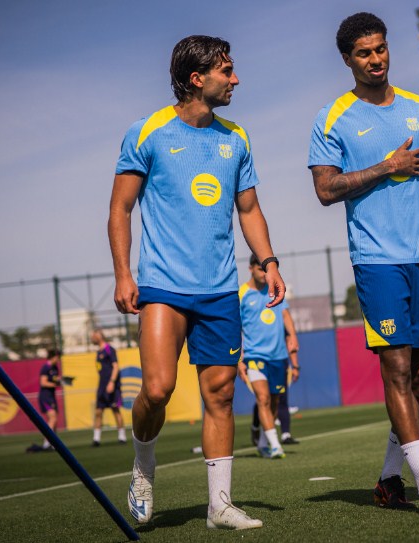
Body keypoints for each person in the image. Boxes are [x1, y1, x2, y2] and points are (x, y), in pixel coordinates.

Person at [109, 35, 285, 530]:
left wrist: (269, 261)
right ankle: (143, 466)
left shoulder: (237, 138)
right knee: (158, 389)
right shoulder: (147, 132)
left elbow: (248, 209)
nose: (235, 79)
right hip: (163, 286)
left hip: (220, 290)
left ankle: (219, 505)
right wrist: (123, 273)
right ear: (196, 78)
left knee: (221, 395)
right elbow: (120, 208)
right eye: (226, 71)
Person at [308, 12, 419, 517]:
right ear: (347, 59)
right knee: (397, 366)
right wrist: (388, 166)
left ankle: (388, 478)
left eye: (380, 48)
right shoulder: (332, 118)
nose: (375, 59)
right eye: (364, 53)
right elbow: (325, 189)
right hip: (377, 260)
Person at [238, 254, 300, 459]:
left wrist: (293, 337)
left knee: (273, 401)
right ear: (250, 268)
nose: (263, 274)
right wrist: (239, 359)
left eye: (266, 270)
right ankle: (275, 445)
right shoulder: (242, 294)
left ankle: (263, 442)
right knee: (262, 398)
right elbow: (235, 327)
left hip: (279, 356)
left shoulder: (274, 289)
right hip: (255, 356)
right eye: (259, 269)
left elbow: (285, 315)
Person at [91, 329, 126, 446]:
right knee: (98, 411)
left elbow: (115, 366)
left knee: (115, 410)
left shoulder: (109, 349)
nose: (92, 338)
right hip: (102, 386)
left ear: (99, 336)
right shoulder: (98, 352)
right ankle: (96, 439)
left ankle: (122, 437)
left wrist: (112, 382)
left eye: (94, 335)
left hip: (111, 385)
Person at [26, 348, 61, 452]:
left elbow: (56, 379)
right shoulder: (46, 368)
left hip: (52, 396)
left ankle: (54, 444)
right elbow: (43, 383)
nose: (58, 359)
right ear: (53, 357)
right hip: (45, 397)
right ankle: (46, 444)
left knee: (55, 420)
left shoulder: (55, 368)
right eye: (57, 357)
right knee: (52, 418)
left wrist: (61, 381)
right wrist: (55, 384)